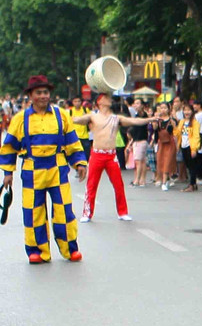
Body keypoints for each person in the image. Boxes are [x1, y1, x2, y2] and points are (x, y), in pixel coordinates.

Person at [0, 75, 87, 263]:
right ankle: (37, 251)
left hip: (58, 168)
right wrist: (8, 173)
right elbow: (9, 147)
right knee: (34, 212)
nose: (43, 96)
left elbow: (72, 141)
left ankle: (70, 249)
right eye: (38, 92)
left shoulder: (61, 115)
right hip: (32, 169)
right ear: (30, 95)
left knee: (64, 211)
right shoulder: (20, 119)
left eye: (46, 92)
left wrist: (79, 162)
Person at [72, 94, 154, 222]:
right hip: (97, 155)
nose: (109, 99)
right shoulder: (92, 117)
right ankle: (87, 213)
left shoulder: (116, 118)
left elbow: (134, 121)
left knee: (118, 185)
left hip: (111, 156)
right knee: (91, 185)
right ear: (100, 101)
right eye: (106, 98)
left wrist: (151, 119)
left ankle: (122, 212)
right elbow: (75, 120)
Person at [174, 103, 202, 192]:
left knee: (192, 166)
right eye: (185, 110)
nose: (187, 112)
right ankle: (193, 184)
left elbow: (196, 136)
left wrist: (194, 149)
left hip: (191, 146)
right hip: (183, 145)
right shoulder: (182, 122)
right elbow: (177, 133)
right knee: (188, 166)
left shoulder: (195, 123)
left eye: (189, 110)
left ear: (192, 111)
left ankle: (191, 185)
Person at [154, 102, 178, 190]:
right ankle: (165, 179)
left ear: (169, 109)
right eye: (161, 108)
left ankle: (164, 182)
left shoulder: (172, 119)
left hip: (170, 142)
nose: (163, 110)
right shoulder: (158, 119)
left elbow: (176, 131)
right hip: (161, 142)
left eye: (165, 108)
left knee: (168, 161)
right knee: (161, 161)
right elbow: (155, 129)